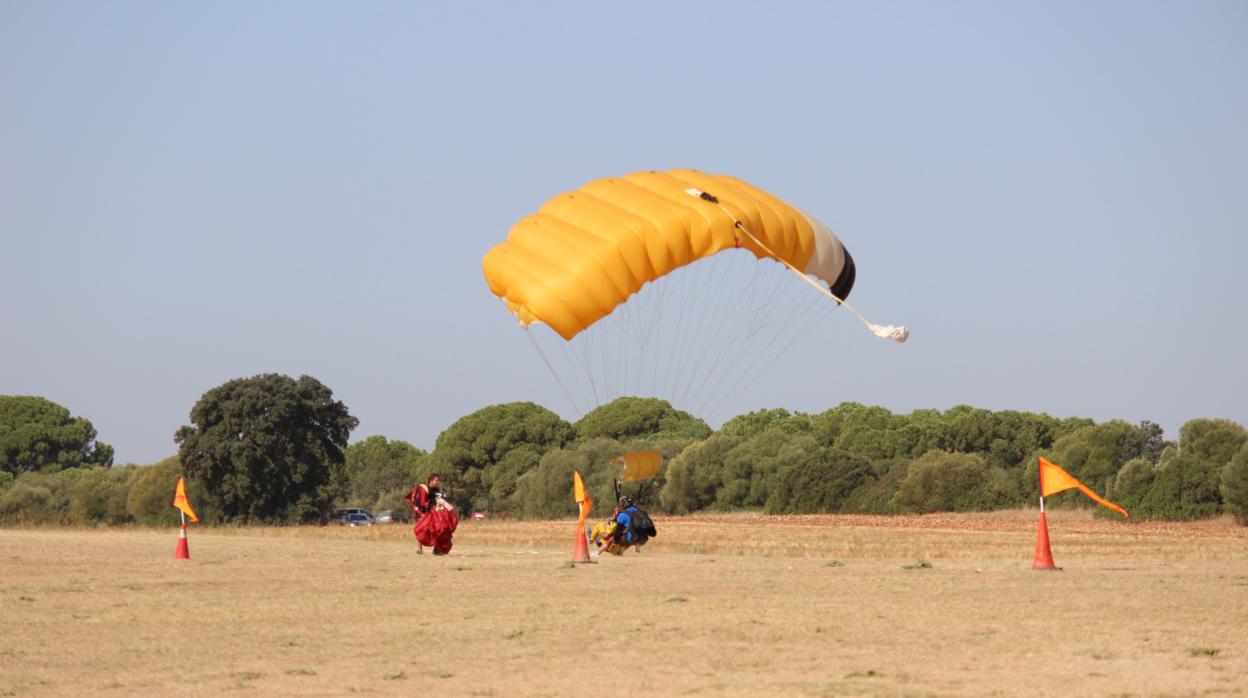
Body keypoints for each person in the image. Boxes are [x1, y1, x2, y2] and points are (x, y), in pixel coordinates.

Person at [404, 474, 444, 554]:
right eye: (436, 480)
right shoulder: (423, 488)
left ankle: (436, 549)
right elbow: (421, 502)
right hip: (421, 511)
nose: (438, 482)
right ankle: (419, 548)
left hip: (432, 512)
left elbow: (440, 501)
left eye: (438, 480)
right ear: (431, 481)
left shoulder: (437, 490)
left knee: (437, 529)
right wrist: (432, 506)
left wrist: (444, 507)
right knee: (422, 530)